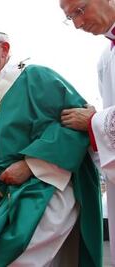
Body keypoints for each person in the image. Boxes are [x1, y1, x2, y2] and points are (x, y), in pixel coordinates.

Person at [0, 29, 102, 266]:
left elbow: (77, 123)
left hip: (39, 188)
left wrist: (31, 165)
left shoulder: (38, 78)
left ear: (5, 49)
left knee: (8, 259)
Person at [59, 0, 115, 264]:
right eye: (70, 18)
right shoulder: (106, 57)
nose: (78, 24)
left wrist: (94, 121)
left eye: (80, 10)